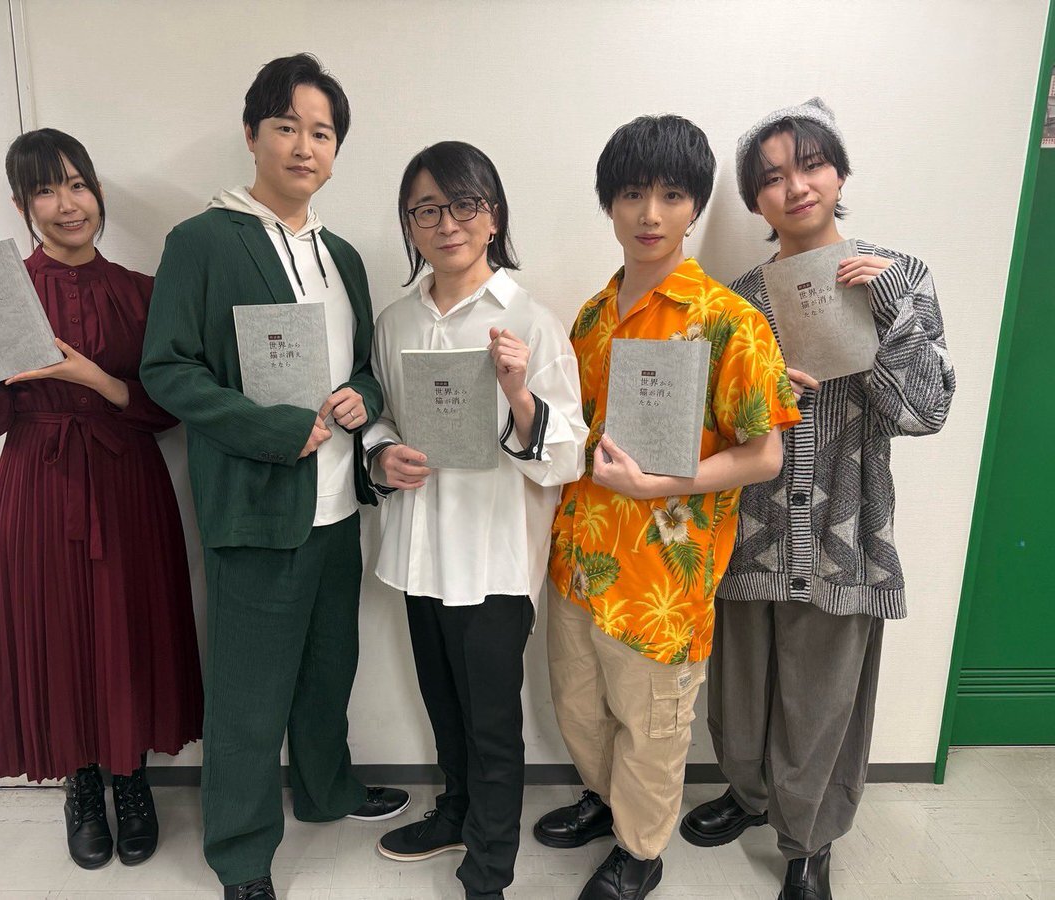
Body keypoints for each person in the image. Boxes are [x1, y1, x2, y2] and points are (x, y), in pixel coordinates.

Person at [138, 54, 407, 900]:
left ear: (336, 150)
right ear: (252, 134)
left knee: (329, 670)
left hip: (336, 509)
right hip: (256, 507)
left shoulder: (342, 256)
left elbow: (364, 367)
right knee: (249, 697)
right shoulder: (202, 241)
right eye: (286, 127)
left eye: (321, 133)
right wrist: (275, 431)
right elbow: (166, 369)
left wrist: (364, 399)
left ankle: (327, 790)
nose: (303, 146)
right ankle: (242, 854)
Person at [679, 98, 956, 900]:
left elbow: (926, 412)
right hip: (752, 528)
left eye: (811, 165)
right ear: (754, 200)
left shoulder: (900, 277)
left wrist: (887, 313)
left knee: (823, 698)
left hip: (844, 528)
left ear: (839, 174)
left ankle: (808, 843)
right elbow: (709, 424)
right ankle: (748, 794)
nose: (795, 187)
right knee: (740, 695)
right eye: (771, 177)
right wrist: (763, 399)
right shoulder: (739, 299)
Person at [0, 128, 203, 870]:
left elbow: (169, 409)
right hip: (37, 485)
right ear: (21, 206)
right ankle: (82, 785)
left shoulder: (143, 291)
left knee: (128, 626)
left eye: (78, 184)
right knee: (58, 630)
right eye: (46, 190)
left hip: (127, 482)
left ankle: (131, 779)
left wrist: (93, 379)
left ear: (97, 191)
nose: (68, 204)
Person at [536, 114, 801, 900]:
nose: (650, 214)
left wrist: (663, 485)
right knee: (579, 709)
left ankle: (640, 851)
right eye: (631, 194)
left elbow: (764, 454)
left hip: (663, 580)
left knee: (653, 729)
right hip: (580, 561)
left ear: (695, 207)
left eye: (672, 195)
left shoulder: (729, 320)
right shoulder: (592, 316)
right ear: (609, 205)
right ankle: (605, 800)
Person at [365, 141, 587, 900]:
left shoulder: (532, 321)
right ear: (409, 225)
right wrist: (382, 455)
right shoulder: (395, 321)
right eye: (426, 209)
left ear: (493, 216)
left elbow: (567, 455)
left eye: (464, 204)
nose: (447, 223)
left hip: (494, 559)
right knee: (443, 703)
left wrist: (520, 394)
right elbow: (383, 416)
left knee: (491, 721)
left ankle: (489, 867)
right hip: (419, 550)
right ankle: (455, 812)